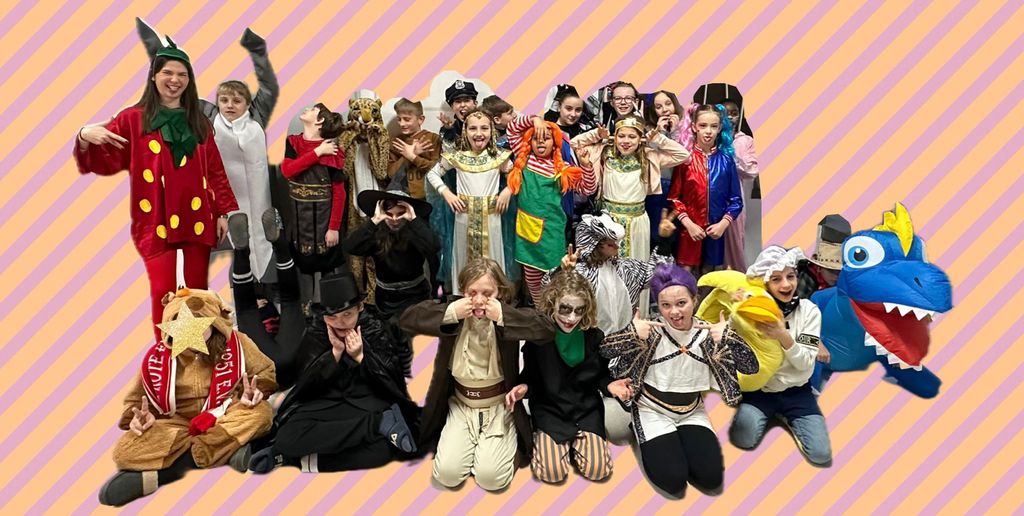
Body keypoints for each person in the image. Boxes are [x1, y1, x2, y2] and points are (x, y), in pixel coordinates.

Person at [75, 39, 237, 341]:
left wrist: (223, 212)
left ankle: (195, 358)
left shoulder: (199, 121)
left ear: (189, 80)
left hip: (197, 215)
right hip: (154, 218)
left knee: (197, 295)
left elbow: (215, 170)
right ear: (154, 76)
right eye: (168, 73)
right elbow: (107, 160)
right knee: (164, 293)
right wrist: (84, 136)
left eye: (182, 75)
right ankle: (166, 356)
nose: (175, 80)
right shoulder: (132, 119)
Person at [99, 289, 276, 506]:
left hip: (226, 413)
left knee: (261, 413)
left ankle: (169, 472)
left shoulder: (238, 343)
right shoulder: (157, 357)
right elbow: (138, 401)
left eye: (197, 323)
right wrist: (139, 419)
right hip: (178, 424)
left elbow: (265, 371)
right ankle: (228, 452)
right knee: (123, 451)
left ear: (213, 322)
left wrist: (256, 391)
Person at [601, 264, 757, 498]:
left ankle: (678, 442)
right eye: (666, 305)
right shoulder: (650, 330)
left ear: (694, 300)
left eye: (681, 303)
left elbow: (751, 367)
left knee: (711, 479)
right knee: (674, 482)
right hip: (651, 409)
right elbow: (604, 350)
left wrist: (729, 337)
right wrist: (630, 333)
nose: (674, 312)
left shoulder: (710, 333)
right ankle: (640, 430)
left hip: (692, 411)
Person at [400, 258, 554, 492]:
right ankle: (475, 448)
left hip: (498, 406)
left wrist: (503, 314)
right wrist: (450, 312)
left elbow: (546, 330)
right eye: (472, 293)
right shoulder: (454, 310)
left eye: (487, 293)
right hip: (461, 406)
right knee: (447, 475)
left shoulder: (507, 313)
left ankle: (503, 448)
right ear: (463, 292)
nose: (479, 300)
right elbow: (408, 319)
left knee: (491, 479)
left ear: (500, 292)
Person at [249, 272, 420, 473]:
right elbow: (306, 386)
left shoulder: (375, 329)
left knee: (383, 450)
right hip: (326, 403)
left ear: (360, 307)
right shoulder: (315, 332)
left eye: (347, 314)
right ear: (323, 316)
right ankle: (378, 425)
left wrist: (361, 357)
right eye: (332, 317)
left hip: (367, 403)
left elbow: (391, 382)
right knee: (287, 437)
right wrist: (335, 355)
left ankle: (294, 458)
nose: (340, 323)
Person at [573, 116, 690, 314]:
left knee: (637, 269)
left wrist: (657, 138)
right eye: (622, 136)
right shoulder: (604, 153)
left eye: (632, 136)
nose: (626, 141)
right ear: (615, 137)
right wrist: (597, 135)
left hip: (637, 222)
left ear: (640, 138)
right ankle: (606, 316)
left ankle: (636, 316)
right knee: (606, 270)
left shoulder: (649, 156)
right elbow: (575, 144)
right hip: (609, 221)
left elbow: (683, 155)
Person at [728, 246, 833, 467]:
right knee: (743, 439)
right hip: (761, 390)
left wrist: (782, 335)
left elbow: (805, 362)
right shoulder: (752, 308)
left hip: (797, 391)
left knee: (821, 455)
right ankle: (764, 412)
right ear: (765, 283)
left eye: (790, 277)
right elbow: (732, 340)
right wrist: (735, 310)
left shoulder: (809, 311)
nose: (786, 285)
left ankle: (789, 416)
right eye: (776, 279)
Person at [522, 271, 617, 483]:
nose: (571, 318)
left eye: (578, 310)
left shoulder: (594, 336)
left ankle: (577, 446)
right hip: (551, 410)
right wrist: (523, 388)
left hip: (585, 410)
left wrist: (611, 386)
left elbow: (602, 375)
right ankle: (552, 443)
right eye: (565, 309)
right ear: (552, 303)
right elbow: (530, 377)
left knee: (598, 471)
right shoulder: (538, 339)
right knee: (552, 473)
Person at [425, 109, 516, 294]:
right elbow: (433, 174)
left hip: (492, 217)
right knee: (463, 258)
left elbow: (517, 175)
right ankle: (464, 297)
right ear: (465, 131)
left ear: (492, 131)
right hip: (464, 218)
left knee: (492, 258)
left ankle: (493, 297)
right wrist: (446, 193)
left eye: (484, 128)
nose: (479, 133)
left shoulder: (499, 157)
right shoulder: (457, 156)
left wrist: (508, 190)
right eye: (473, 128)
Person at [505, 113, 592, 304]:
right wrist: (535, 120)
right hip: (527, 231)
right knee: (532, 280)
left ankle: (553, 314)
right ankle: (539, 313)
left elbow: (587, 189)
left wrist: (586, 166)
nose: (541, 142)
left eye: (546, 138)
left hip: (552, 233)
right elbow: (512, 129)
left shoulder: (563, 169)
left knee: (555, 279)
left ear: (555, 143)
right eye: (536, 138)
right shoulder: (524, 158)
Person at [547, 212, 674, 334]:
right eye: (610, 244)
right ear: (594, 244)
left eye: (616, 242)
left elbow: (657, 275)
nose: (617, 246)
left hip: (623, 340)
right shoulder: (579, 274)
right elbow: (549, 292)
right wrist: (563, 272)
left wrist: (664, 241)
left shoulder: (627, 269)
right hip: (589, 343)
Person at [230, 210, 305, 390]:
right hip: (279, 368)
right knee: (248, 309)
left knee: (290, 302)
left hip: (273, 371)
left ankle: (276, 245)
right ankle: (242, 252)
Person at [668, 104, 743, 275]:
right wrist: (689, 224)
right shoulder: (685, 160)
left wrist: (723, 224)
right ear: (694, 127)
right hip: (689, 229)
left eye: (713, 126)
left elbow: (736, 200)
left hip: (716, 230)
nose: (708, 131)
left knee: (709, 275)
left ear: (720, 128)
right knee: (685, 274)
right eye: (703, 125)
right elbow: (674, 198)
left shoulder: (727, 161)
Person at [344, 190, 441, 320]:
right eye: (389, 214)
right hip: (386, 298)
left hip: (416, 295)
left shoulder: (416, 230)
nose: (394, 219)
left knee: (415, 331)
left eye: (400, 214)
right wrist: (374, 220)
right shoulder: (376, 233)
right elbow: (350, 247)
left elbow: (434, 247)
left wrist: (414, 219)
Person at [693, 83, 760, 269]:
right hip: (708, 200)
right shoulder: (711, 137)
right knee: (709, 247)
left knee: (735, 243)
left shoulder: (745, 140)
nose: (730, 117)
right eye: (726, 113)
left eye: (734, 113)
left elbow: (752, 171)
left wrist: (732, 158)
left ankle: (736, 277)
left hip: (734, 198)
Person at [281, 103, 346, 275]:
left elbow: (339, 194)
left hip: (324, 224)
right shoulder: (293, 143)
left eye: (312, 110)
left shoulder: (332, 151)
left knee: (328, 272)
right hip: (299, 224)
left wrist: (334, 228)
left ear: (320, 121)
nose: (306, 109)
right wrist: (318, 152)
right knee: (302, 271)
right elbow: (288, 171)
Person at [386, 98, 441, 200]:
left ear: (420, 119)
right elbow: (391, 174)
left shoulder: (433, 139)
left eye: (407, 119)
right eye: (399, 119)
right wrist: (408, 156)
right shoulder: (396, 142)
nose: (402, 124)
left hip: (427, 196)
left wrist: (413, 157)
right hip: (401, 197)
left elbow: (438, 170)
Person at [796, 214, 851, 299]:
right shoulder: (806, 279)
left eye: (840, 271)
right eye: (831, 270)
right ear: (819, 267)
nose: (836, 276)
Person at [438, 79, 479, 152]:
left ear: (475, 103)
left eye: (467, 100)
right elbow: (448, 152)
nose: (462, 105)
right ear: (452, 106)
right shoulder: (448, 130)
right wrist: (448, 130)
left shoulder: (486, 125)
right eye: (458, 102)